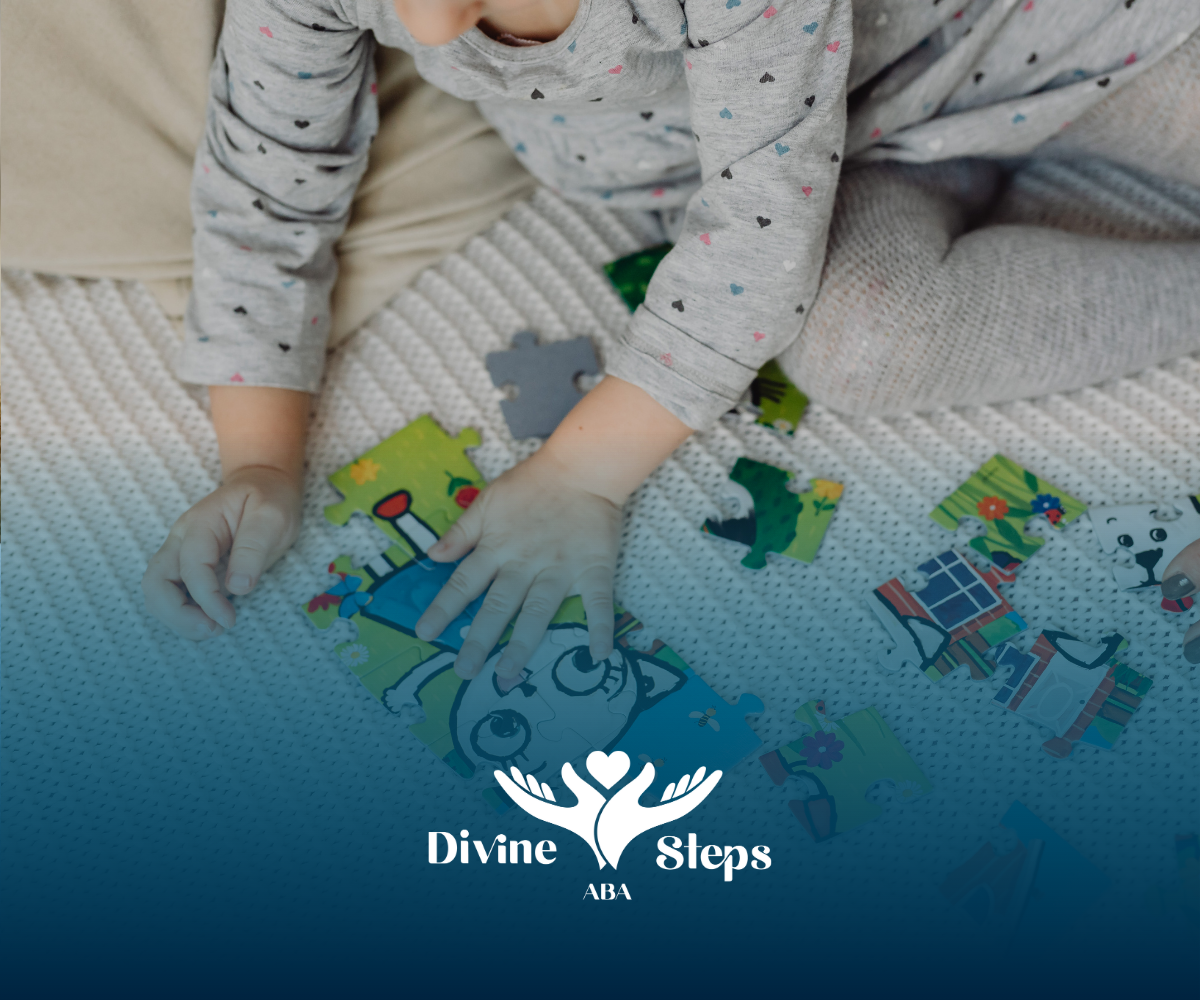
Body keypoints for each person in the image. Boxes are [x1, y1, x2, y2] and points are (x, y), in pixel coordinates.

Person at [143, 0, 1200, 671]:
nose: (422, 29)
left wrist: (579, 473)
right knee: (860, 345)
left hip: (1021, 37)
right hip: (843, 165)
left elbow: (757, 231)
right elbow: (266, 191)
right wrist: (260, 458)